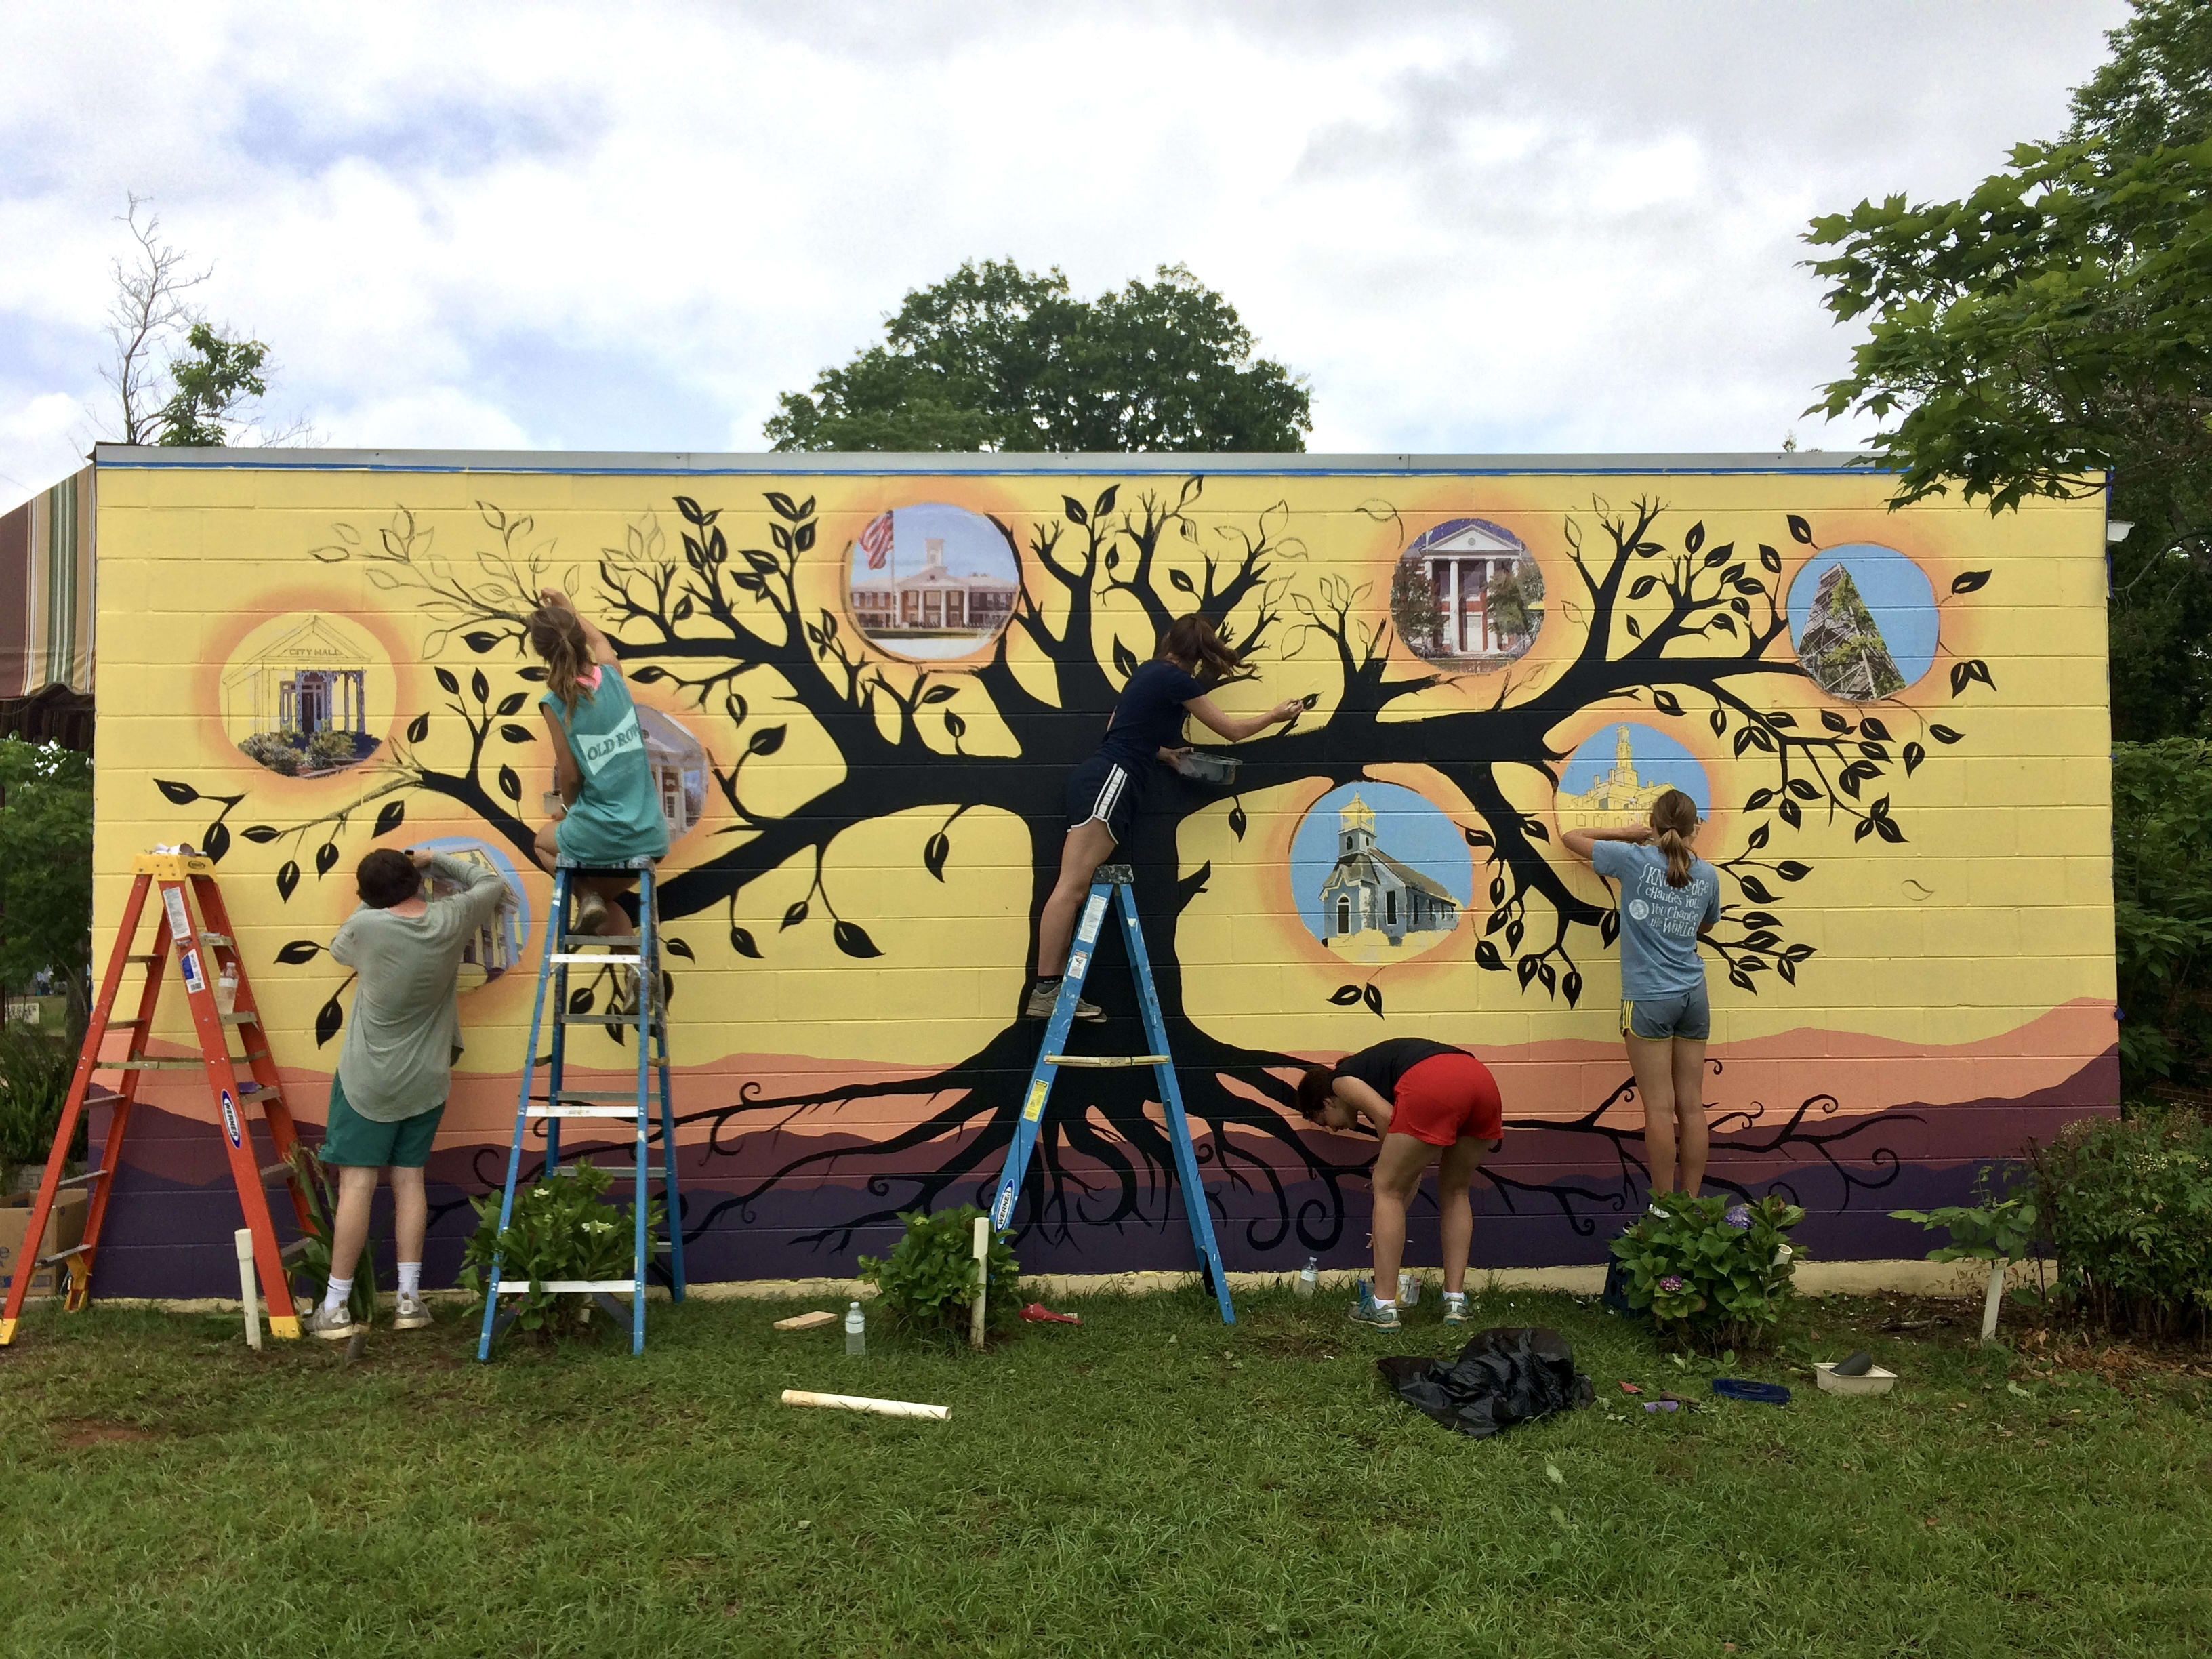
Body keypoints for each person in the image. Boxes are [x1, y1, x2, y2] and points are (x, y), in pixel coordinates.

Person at [1027, 615, 1302, 1021]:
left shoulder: (1147, 672)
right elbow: (1233, 731)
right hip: (1112, 780)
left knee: (1074, 886)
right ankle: (1047, 989)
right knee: (1071, 887)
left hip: (1101, 776)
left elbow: (1116, 727)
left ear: (1168, 640)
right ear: (1200, 654)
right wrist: (1275, 716)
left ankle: (1050, 988)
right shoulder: (1178, 680)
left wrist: (1165, 753)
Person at [310, 846, 512, 1338]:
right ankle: (408, 1302)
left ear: (370, 897)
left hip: (367, 1081)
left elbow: (340, 947)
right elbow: (491, 884)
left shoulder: (368, 927)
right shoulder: (451, 918)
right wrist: (434, 858)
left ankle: (335, 1307)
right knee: (409, 1182)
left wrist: (373, 901)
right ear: (417, 883)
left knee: (358, 1184)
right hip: (427, 1078)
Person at [1563, 787, 1721, 1211]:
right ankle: (1691, 1205)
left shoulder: (1633, 859)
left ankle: (1664, 1207)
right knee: (1691, 1104)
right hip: (1694, 995)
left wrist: (1629, 834)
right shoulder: (1707, 875)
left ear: (1652, 823)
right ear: (1694, 829)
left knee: (1658, 1108)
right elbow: (1704, 927)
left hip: (1648, 999)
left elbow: (1570, 837)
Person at [1294, 1038, 1503, 1331]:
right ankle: (1455, 1302)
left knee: (1384, 1186)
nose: (1331, 1127)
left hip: (1435, 1082)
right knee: (1456, 1190)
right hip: (1480, 1082)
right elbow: (1410, 1171)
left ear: (1328, 1101)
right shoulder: (1374, 1071)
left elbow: (1386, 1117)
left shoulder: (1340, 1081)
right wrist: (1394, 1201)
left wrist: (1389, 1182)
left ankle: (1383, 1307)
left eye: (1322, 1119)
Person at [527, 588, 671, 938]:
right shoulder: (613, 674)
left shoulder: (556, 702)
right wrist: (569, 609)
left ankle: (586, 895)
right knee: (604, 906)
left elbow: (571, 776)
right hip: (651, 833)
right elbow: (601, 639)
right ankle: (633, 972)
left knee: (542, 843)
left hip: (604, 833)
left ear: (541, 653)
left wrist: (569, 810)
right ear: (578, 640)